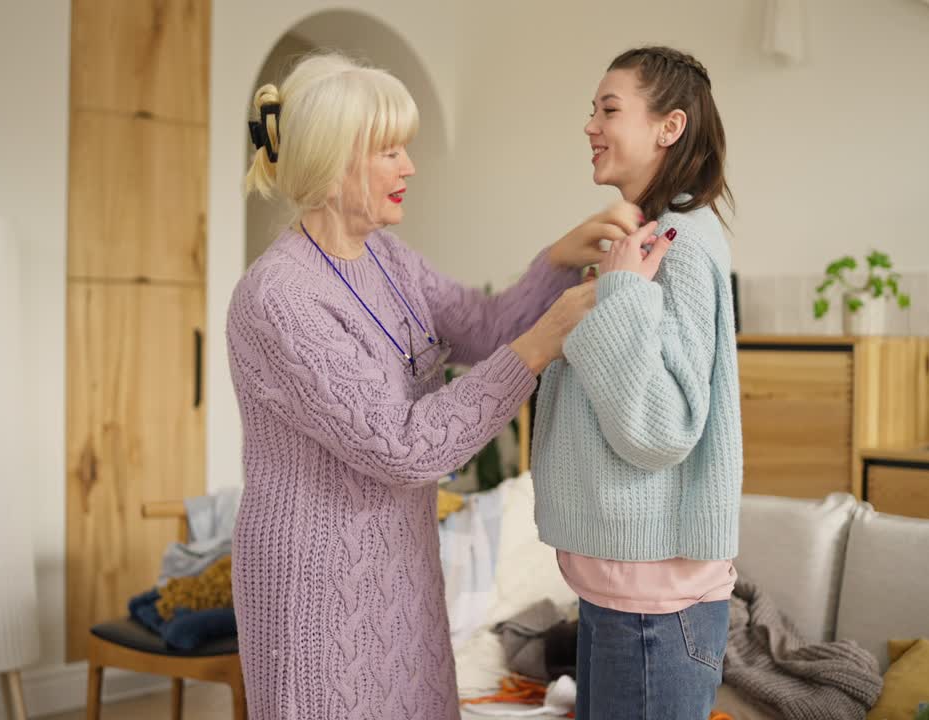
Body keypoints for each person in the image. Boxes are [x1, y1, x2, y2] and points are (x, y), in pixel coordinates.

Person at [226, 51, 641, 719]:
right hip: (319, 587)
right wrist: (540, 346)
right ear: (333, 163)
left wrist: (559, 260)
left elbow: (480, 326)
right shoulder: (279, 297)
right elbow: (401, 446)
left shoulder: (387, 258)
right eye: (388, 150)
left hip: (401, 570)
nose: (408, 167)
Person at [531, 45, 743, 720]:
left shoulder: (679, 242)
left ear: (669, 126)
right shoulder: (649, 236)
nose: (590, 125)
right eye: (590, 111)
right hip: (624, 595)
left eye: (609, 109)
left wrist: (619, 290)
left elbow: (663, 426)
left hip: (654, 607)